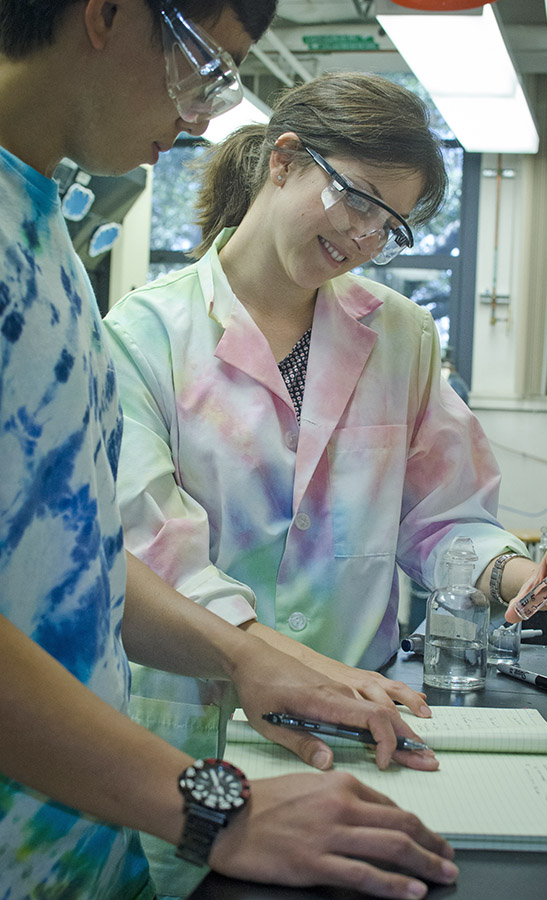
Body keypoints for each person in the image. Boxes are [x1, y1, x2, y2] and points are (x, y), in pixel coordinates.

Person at [0, 4, 461, 900]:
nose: (211, 116)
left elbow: (80, 562)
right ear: (107, 14)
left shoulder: (43, 225)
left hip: (89, 839)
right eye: (208, 60)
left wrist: (254, 658)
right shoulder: (144, 323)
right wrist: (212, 803)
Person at [104, 70, 547, 761]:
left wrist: (526, 577)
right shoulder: (142, 335)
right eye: (357, 198)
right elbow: (155, 559)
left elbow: (444, 520)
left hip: (362, 721)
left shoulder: (400, 336)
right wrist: (307, 672)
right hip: (194, 721)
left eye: (389, 226)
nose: (365, 236)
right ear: (284, 159)